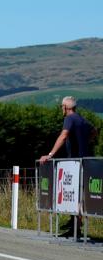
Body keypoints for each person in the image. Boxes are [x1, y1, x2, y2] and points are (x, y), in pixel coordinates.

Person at [39, 96, 97, 237]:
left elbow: (63, 135)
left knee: (72, 194)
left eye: (61, 106)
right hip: (85, 161)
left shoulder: (69, 119)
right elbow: (94, 131)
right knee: (77, 195)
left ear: (66, 107)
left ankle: (75, 226)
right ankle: (75, 226)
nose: (61, 109)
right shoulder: (82, 120)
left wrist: (50, 154)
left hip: (75, 163)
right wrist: (85, 142)